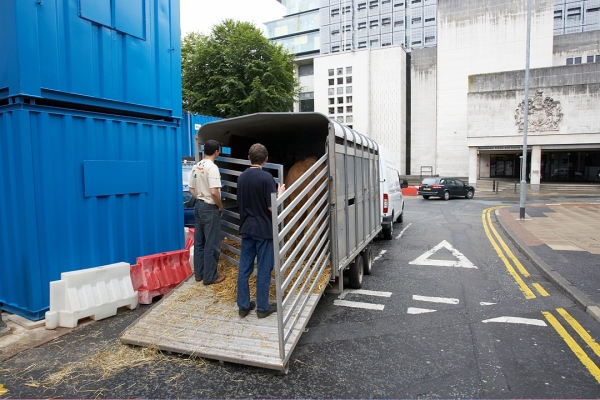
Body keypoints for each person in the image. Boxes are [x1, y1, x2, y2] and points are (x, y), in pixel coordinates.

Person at [236, 144, 285, 318]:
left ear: (249, 157)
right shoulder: (266, 178)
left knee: (244, 268)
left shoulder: (241, 177)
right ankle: (262, 308)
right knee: (264, 269)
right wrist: (279, 194)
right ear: (266, 159)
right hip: (264, 230)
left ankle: (243, 306)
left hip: (247, 228)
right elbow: (272, 207)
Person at [188, 140, 226, 285]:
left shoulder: (196, 166)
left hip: (198, 206)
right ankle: (210, 277)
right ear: (216, 151)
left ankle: (199, 274)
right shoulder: (212, 168)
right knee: (212, 242)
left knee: (199, 241)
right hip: (210, 208)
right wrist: (220, 206)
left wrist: (200, 198)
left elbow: (191, 189)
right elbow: (214, 191)